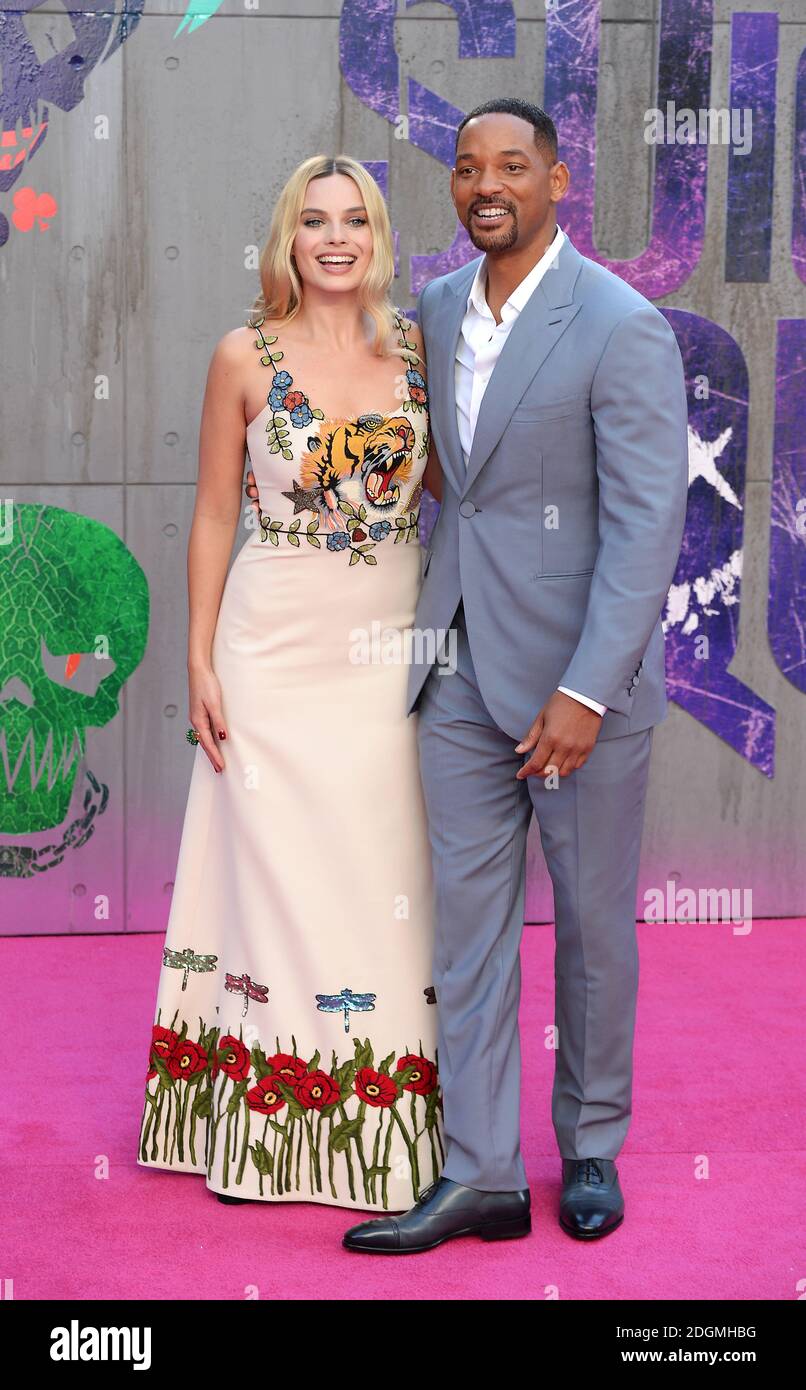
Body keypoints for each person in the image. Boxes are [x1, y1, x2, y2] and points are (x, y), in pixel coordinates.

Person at [338, 99, 689, 1253]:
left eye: (511, 167)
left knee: (590, 927)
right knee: (468, 933)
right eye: (465, 167)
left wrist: (586, 690)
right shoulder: (435, 309)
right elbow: (458, 481)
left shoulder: (620, 323)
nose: (485, 184)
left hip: (576, 693)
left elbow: (646, 524)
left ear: (556, 179)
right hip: (457, 673)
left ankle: (588, 1144)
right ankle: (482, 1171)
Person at [137, 154, 447, 1213]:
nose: (334, 238)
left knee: (376, 875)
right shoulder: (241, 353)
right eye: (313, 220)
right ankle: (265, 1126)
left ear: (376, 235)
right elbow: (217, 514)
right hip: (266, 654)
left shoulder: (418, 348)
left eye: (353, 219)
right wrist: (197, 655)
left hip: (386, 656)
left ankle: (382, 1128)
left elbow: (464, 489)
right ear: (286, 236)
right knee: (270, 880)